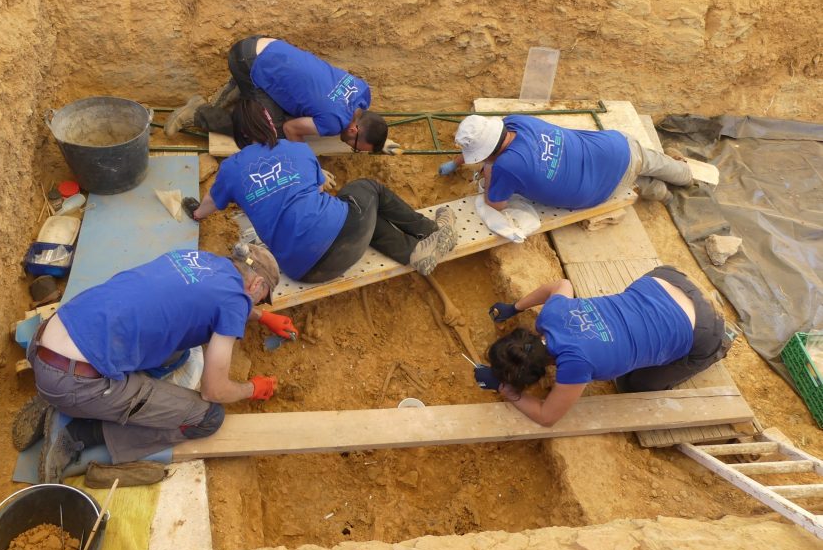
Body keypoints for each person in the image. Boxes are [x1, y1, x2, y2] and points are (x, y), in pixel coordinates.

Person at [29, 243, 298, 483]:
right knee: (208, 418)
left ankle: (73, 397)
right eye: (261, 298)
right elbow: (213, 390)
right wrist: (251, 388)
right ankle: (81, 432)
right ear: (256, 285)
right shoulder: (234, 303)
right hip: (73, 381)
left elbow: (221, 298)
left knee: (177, 353)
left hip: (45, 341)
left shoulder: (195, 258)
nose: (256, 303)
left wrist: (261, 317)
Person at [188, 100, 457, 281]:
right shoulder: (296, 148)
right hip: (347, 242)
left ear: (239, 133)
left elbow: (211, 202)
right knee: (366, 189)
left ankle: (413, 250)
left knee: (359, 214)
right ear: (270, 125)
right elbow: (318, 188)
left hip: (305, 271)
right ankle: (432, 232)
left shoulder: (232, 169)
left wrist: (197, 214)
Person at [474, 265, 729, 426]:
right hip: (665, 279)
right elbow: (563, 284)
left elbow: (547, 417)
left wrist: (505, 388)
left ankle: (721, 343)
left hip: (703, 326)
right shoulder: (550, 316)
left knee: (635, 384)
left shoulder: (574, 366)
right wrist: (515, 307)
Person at [166, 36, 393, 153]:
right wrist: (311, 167)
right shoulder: (334, 122)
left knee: (293, 108)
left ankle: (242, 89)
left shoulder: (363, 92)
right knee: (267, 135)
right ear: (354, 129)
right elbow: (290, 130)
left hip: (264, 46)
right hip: (246, 60)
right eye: (354, 147)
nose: (350, 147)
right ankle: (198, 113)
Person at [438, 114, 693, 209]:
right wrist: (458, 162)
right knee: (650, 162)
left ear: (489, 155)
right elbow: (489, 144)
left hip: (595, 191)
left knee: (633, 179)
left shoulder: (506, 166)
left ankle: (665, 194)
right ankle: (684, 174)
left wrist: (490, 169)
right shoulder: (518, 121)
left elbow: (495, 203)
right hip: (615, 147)